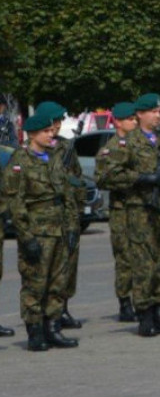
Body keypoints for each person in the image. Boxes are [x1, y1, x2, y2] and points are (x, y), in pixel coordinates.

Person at [101, 93, 160, 337]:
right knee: (144, 264)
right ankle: (145, 314)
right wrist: (142, 178)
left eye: (159, 111)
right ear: (140, 114)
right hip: (140, 211)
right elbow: (106, 176)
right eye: (153, 111)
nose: (158, 115)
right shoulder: (128, 143)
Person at [2, 112, 79, 351]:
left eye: (51, 131)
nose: (50, 135)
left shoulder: (54, 157)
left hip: (59, 229)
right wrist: (26, 237)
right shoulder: (20, 161)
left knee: (57, 282)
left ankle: (52, 327)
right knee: (35, 284)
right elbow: (15, 203)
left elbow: (66, 195)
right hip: (37, 232)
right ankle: (35, 331)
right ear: (32, 134)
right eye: (45, 132)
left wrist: (72, 227)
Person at [37, 101, 86, 331]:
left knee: (68, 264)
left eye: (59, 121)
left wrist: (79, 206)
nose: (57, 125)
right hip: (46, 218)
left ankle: (62, 308)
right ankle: (44, 314)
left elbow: (77, 176)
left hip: (69, 214)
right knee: (46, 268)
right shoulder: (35, 149)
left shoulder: (66, 146)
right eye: (54, 121)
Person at [95, 101, 140, 322]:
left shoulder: (138, 145)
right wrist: (135, 179)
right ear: (119, 122)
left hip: (140, 208)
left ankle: (141, 300)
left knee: (141, 257)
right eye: (130, 119)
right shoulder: (110, 148)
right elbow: (102, 179)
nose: (135, 122)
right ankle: (125, 302)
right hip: (122, 210)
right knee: (124, 258)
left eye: (135, 118)